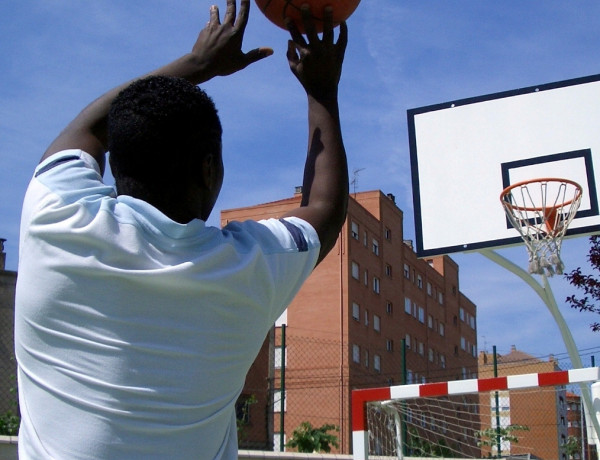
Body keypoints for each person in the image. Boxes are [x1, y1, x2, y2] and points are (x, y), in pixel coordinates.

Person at [14, 0, 348, 458]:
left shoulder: (54, 217)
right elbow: (326, 208)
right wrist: (321, 91)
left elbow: (89, 127)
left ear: (115, 163)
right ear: (209, 170)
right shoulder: (247, 268)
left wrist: (198, 64)